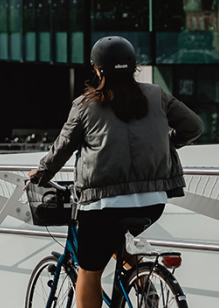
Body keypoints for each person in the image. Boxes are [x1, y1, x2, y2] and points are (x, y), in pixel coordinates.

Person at [29, 37, 204, 308]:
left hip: (103, 205)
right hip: (153, 202)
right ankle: (144, 284)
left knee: (89, 270)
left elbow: (62, 148)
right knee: (114, 238)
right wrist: (165, 143)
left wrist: (41, 174)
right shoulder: (157, 94)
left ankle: (139, 285)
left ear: (98, 70)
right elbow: (194, 126)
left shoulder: (85, 104)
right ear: (134, 67)